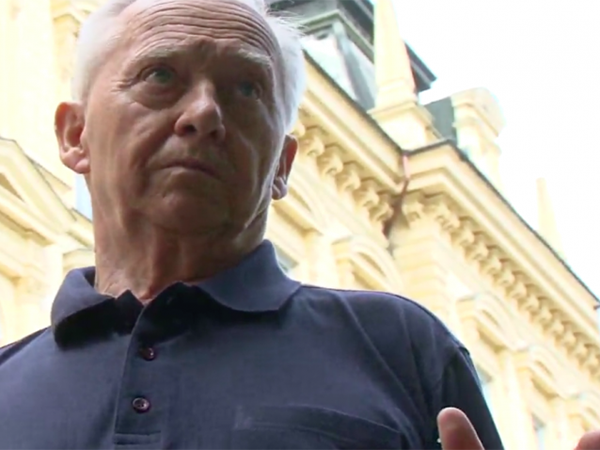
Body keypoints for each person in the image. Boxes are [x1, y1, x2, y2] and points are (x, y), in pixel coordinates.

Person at [0, 0, 598, 449]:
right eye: (161, 75)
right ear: (75, 135)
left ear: (283, 166)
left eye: (245, 89)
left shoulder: (399, 348)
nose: (204, 113)